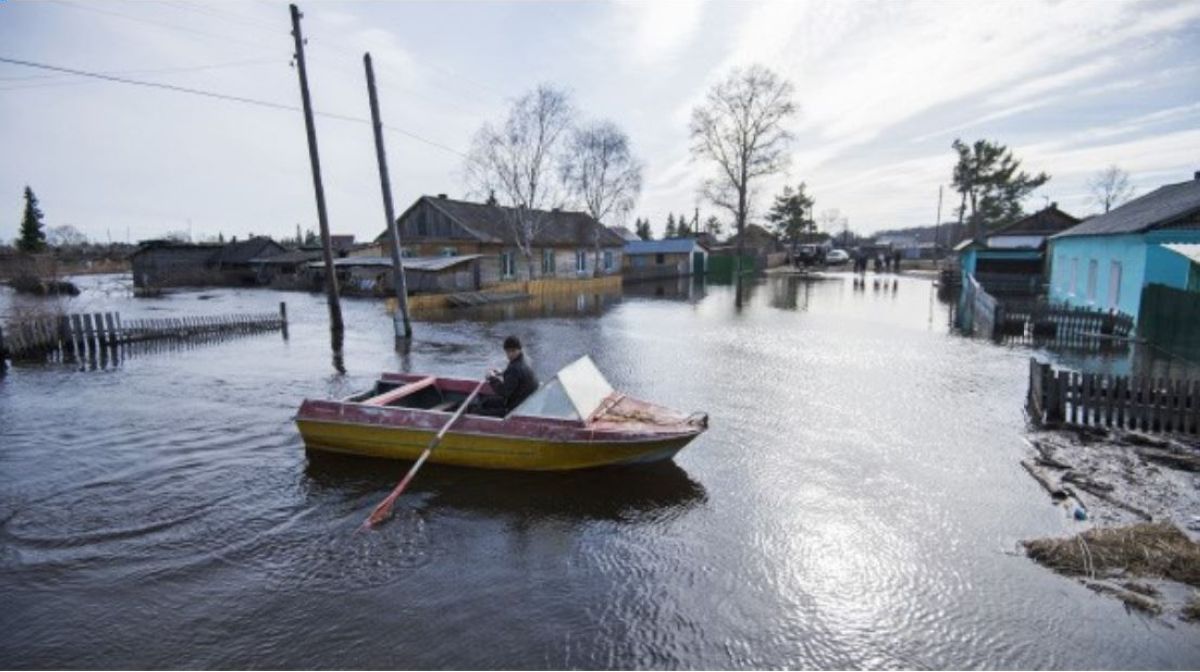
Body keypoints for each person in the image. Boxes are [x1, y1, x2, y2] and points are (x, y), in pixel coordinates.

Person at [476, 335, 539, 417]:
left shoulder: (514, 368)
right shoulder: (523, 362)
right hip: (524, 404)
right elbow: (516, 377)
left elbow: (504, 392)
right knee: (486, 401)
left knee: (478, 411)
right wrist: (502, 373)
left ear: (519, 350)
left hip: (514, 411)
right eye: (508, 351)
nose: (510, 354)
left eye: (513, 351)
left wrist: (492, 378)